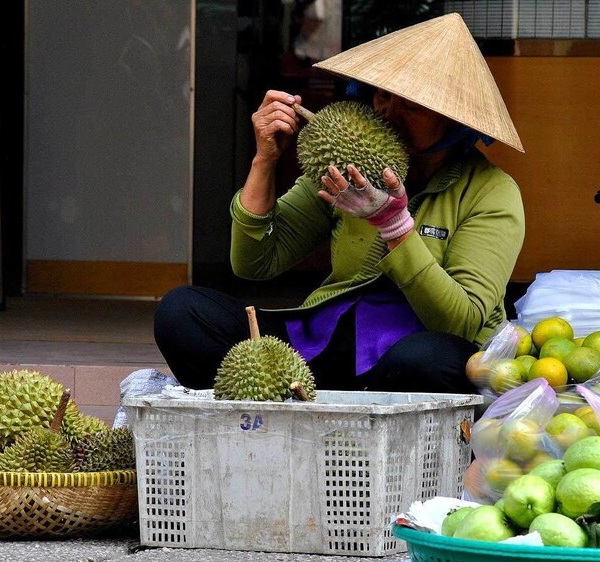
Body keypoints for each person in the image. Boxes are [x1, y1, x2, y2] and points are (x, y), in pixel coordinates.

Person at [154, 13, 526, 394]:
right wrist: (264, 160)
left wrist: (394, 225)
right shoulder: (348, 168)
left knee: (426, 360)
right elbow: (254, 262)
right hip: (320, 346)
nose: (388, 112)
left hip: (406, 358)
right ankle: (278, 405)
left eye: (411, 106)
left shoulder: (491, 193)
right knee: (182, 313)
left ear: (455, 120)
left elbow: (460, 323)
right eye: (383, 95)